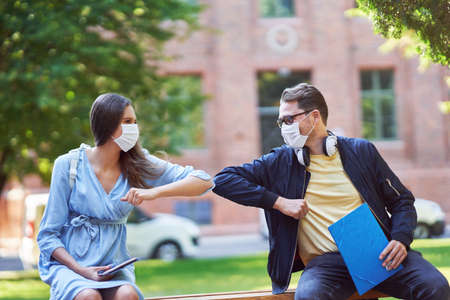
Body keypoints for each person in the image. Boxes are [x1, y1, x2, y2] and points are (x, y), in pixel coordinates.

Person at [213, 83, 449, 300]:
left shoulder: (361, 151)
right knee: (308, 298)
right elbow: (223, 180)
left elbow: (402, 201)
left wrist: (400, 238)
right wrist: (279, 202)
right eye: (281, 122)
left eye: (288, 120)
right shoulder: (279, 161)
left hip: (377, 254)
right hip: (326, 264)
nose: (284, 127)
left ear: (314, 116)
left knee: (436, 288)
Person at [37, 93, 214, 300]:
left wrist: (154, 192)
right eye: (128, 122)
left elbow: (204, 181)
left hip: (112, 266)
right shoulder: (68, 165)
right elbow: (47, 235)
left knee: (128, 294)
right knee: (88, 296)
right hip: (72, 268)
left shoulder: (138, 164)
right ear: (107, 124)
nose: (134, 128)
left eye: (135, 122)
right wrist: (82, 270)